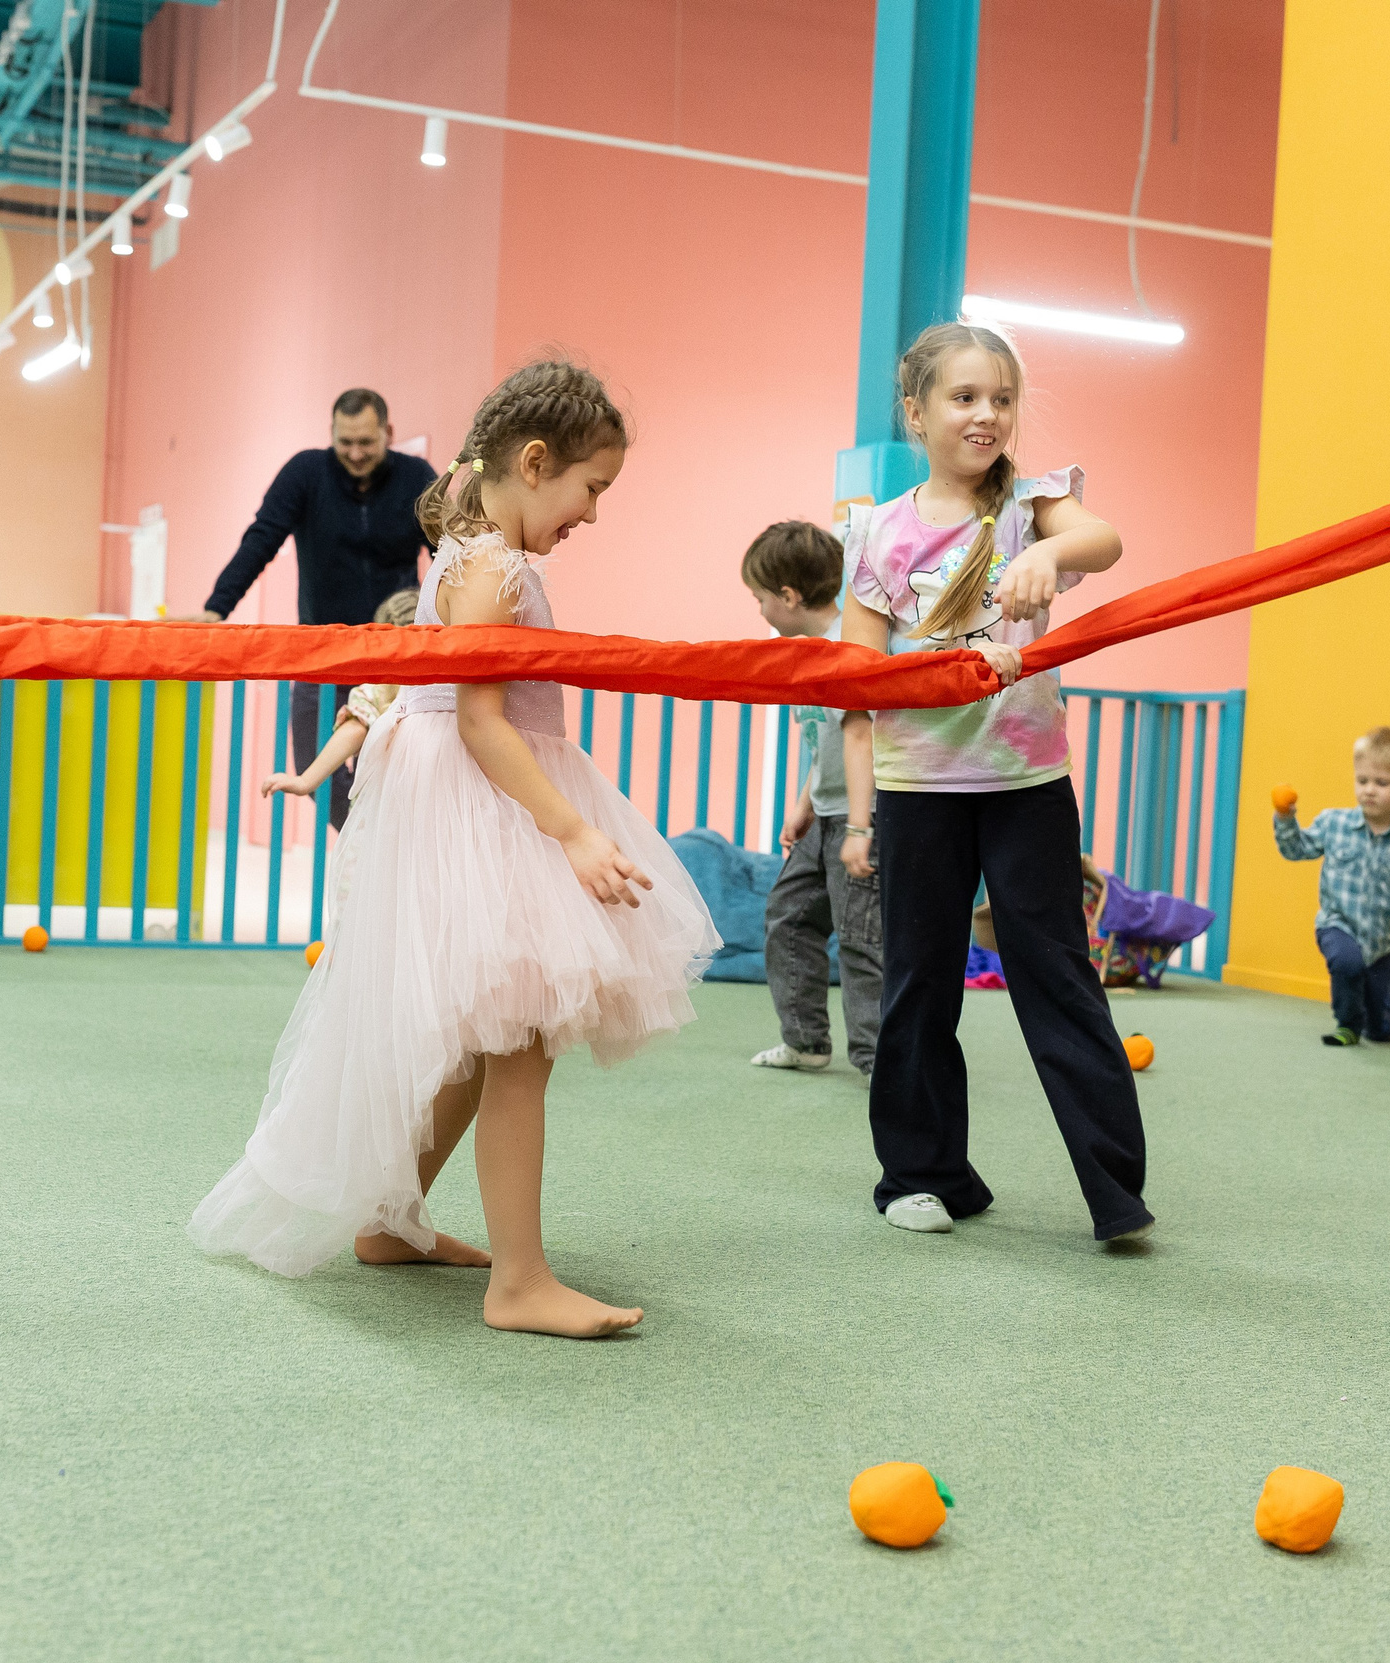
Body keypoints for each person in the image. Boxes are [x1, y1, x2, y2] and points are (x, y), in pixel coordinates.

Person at [190, 359, 719, 1338]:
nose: (593, 514)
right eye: (590, 489)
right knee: (517, 1039)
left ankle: (392, 1218)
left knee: (492, 1034)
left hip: (484, 793)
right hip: (488, 800)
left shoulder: (476, 557)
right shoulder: (489, 568)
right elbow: (481, 721)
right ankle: (518, 1281)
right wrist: (570, 831)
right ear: (532, 461)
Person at [837, 320, 1155, 1245]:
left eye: (1002, 399)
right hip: (920, 786)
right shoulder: (878, 532)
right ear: (917, 411)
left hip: (1024, 781)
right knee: (919, 980)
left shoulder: (1031, 507)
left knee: (1056, 974)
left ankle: (1114, 1190)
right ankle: (920, 1173)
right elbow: (858, 676)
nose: (986, 415)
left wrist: (1050, 556)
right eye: (965, 397)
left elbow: (1106, 540)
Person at [179, 388, 438, 827]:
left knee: (401, 772)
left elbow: (447, 553)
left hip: (395, 658)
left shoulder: (417, 477)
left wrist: (462, 624)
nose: (355, 453)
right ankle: (371, 841)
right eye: (345, 442)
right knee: (317, 772)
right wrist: (217, 608)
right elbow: (261, 539)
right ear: (331, 434)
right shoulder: (305, 473)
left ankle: (386, 850)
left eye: (366, 442)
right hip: (322, 654)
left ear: (388, 433)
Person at [740, 521, 882, 1077]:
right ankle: (806, 1041)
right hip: (826, 813)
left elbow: (861, 735)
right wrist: (804, 803)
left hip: (863, 815)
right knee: (789, 916)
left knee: (862, 936)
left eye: (759, 600)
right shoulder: (806, 655)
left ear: (788, 598)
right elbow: (819, 740)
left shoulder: (853, 644)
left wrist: (860, 827)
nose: (759, 612)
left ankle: (878, 1058)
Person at [1272, 726, 1390, 1046]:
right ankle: (1347, 1024)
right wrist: (1285, 818)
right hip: (1338, 925)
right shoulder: (1334, 824)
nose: (1369, 791)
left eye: (1381, 783)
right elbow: (1297, 849)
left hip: (1382, 942)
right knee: (1347, 963)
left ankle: (1374, 1023)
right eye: (1362, 781)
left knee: (1383, 1030)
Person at [258, 588, 421, 806]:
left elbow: (355, 729)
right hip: (426, 808)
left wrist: (305, 781)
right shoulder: (447, 693)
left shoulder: (376, 693)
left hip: (385, 810)